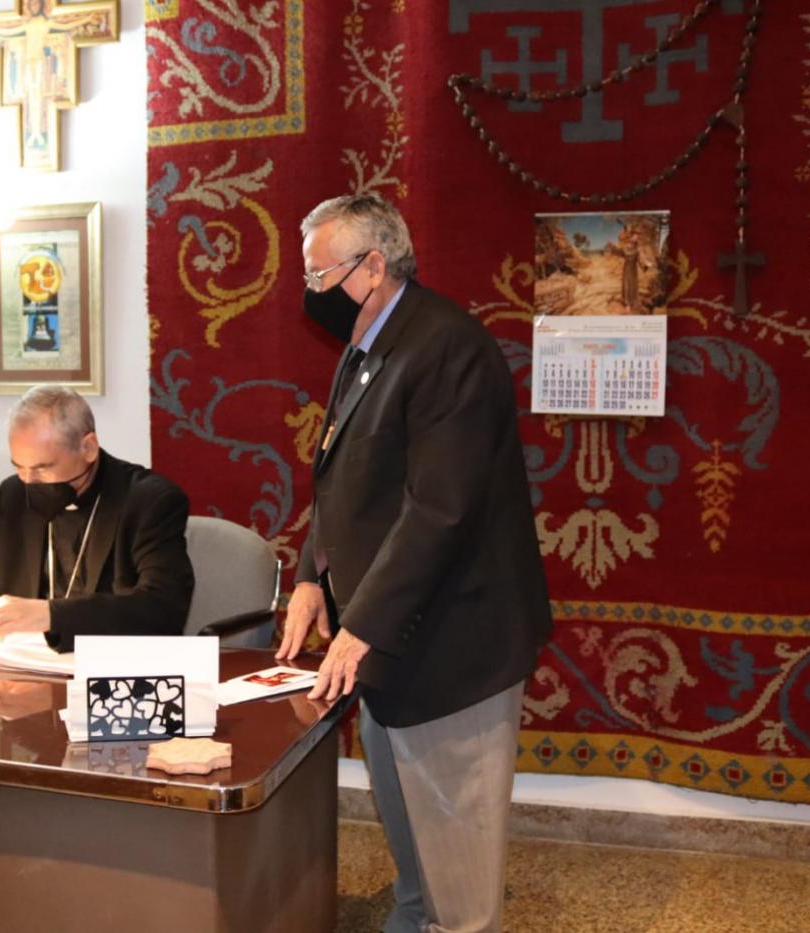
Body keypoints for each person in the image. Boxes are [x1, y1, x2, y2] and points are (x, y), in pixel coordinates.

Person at [277, 195, 553, 933]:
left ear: (374, 265)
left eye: (320, 275)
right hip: (388, 649)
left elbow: (439, 509)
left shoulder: (446, 347)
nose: (310, 293)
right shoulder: (369, 344)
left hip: (452, 650)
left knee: (460, 892)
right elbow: (343, 478)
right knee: (416, 867)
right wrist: (311, 573)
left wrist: (359, 624)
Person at [0, 386, 194, 651]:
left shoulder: (150, 500)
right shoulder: (14, 493)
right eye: (19, 467)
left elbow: (162, 607)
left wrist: (51, 615)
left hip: (115, 675)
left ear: (88, 448)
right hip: (27, 671)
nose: (28, 481)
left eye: (42, 468)